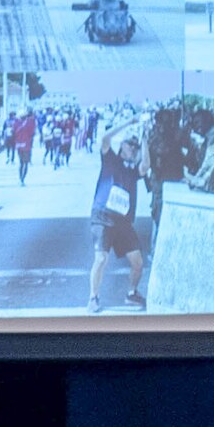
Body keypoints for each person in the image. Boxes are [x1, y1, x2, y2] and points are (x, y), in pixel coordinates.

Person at [88, 118, 148, 312]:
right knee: (101, 259)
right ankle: (93, 298)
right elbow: (105, 138)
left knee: (138, 262)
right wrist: (129, 121)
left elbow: (145, 165)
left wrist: (144, 138)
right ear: (122, 145)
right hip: (103, 217)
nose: (134, 148)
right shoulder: (110, 159)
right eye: (130, 144)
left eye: (135, 146)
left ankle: (132, 293)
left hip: (123, 222)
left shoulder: (133, 171)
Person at [10, 110, 36, 185]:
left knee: (21, 163)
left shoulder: (16, 123)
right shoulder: (29, 123)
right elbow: (32, 133)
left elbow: (13, 132)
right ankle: (22, 179)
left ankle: (20, 178)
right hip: (26, 145)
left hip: (18, 145)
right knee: (26, 163)